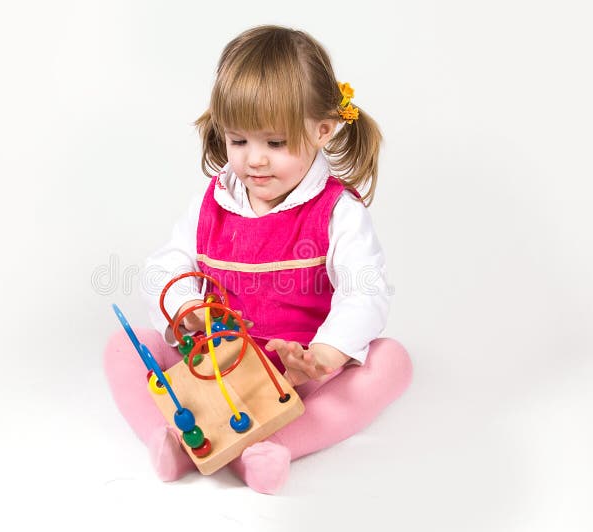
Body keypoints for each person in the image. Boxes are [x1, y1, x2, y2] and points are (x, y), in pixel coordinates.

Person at [104, 25, 412, 494]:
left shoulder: (337, 211)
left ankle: (275, 447)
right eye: (239, 140)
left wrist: (324, 356)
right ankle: (168, 438)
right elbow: (169, 263)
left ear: (322, 129)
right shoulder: (214, 200)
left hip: (295, 372)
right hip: (216, 362)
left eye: (275, 143)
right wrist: (188, 314)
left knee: (391, 360)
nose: (254, 161)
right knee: (124, 347)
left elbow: (363, 290)